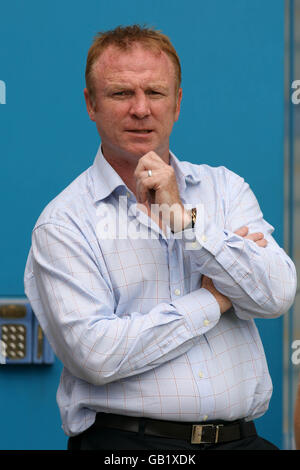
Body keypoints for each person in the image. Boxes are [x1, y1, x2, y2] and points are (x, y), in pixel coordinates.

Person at [24, 24, 296, 451]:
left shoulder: (225, 189)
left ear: (177, 103)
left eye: (155, 92)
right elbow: (97, 354)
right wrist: (212, 300)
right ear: (90, 104)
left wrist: (185, 221)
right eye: (120, 94)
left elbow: (277, 295)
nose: (140, 109)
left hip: (242, 442)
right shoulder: (63, 223)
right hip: (127, 448)